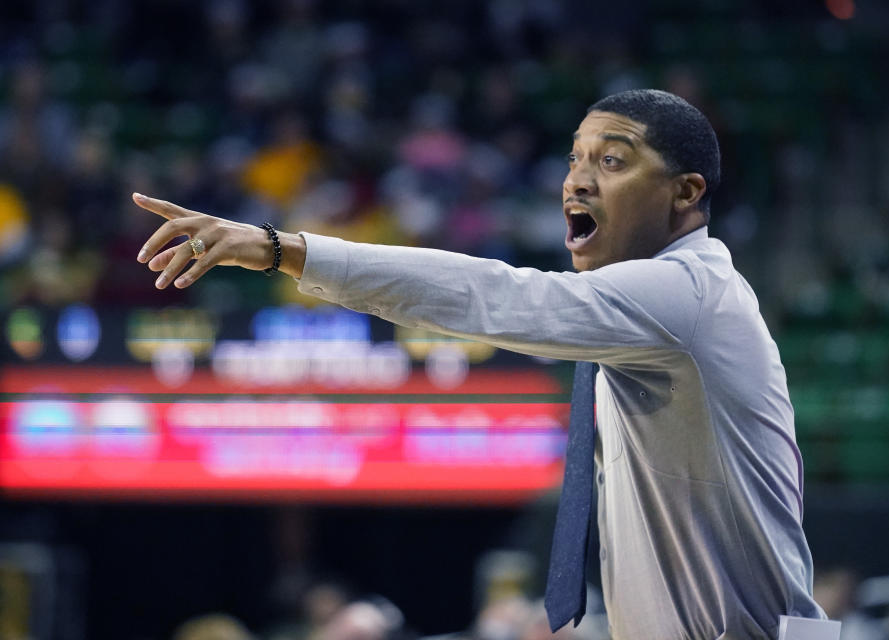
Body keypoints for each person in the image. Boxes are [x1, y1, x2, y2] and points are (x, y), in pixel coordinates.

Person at [134, 89, 825, 639]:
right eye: (574, 158)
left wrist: (283, 248)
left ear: (686, 193)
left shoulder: (685, 295)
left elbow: (493, 295)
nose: (578, 181)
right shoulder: (646, 311)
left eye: (611, 162)